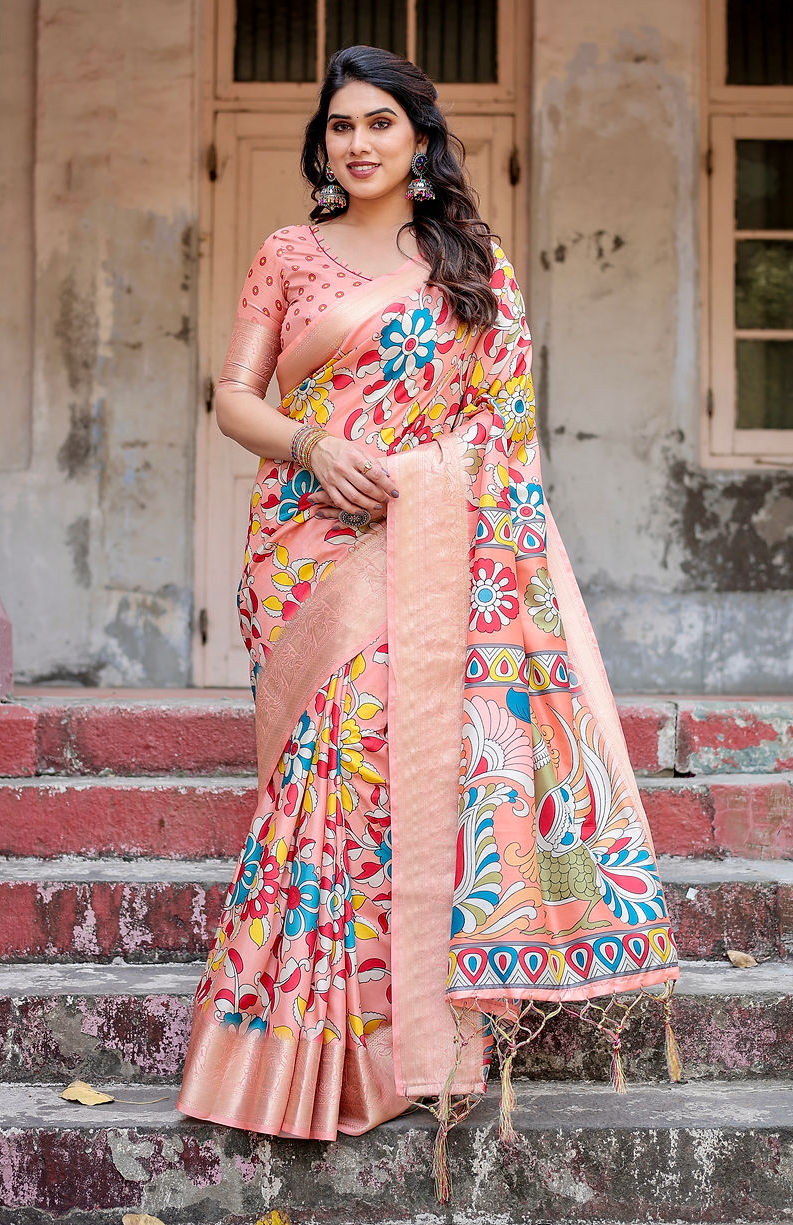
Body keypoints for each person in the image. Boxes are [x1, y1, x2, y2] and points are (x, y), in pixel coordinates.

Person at [177, 44, 681, 1188]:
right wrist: (318, 445)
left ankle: (408, 1037)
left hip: (444, 541)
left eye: (379, 125)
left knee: (405, 770)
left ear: (418, 140)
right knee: (333, 767)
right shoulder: (289, 254)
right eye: (339, 126)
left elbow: (508, 430)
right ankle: (308, 1048)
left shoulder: (470, 261)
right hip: (314, 539)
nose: (356, 143)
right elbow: (233, 399)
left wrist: (455, 508)